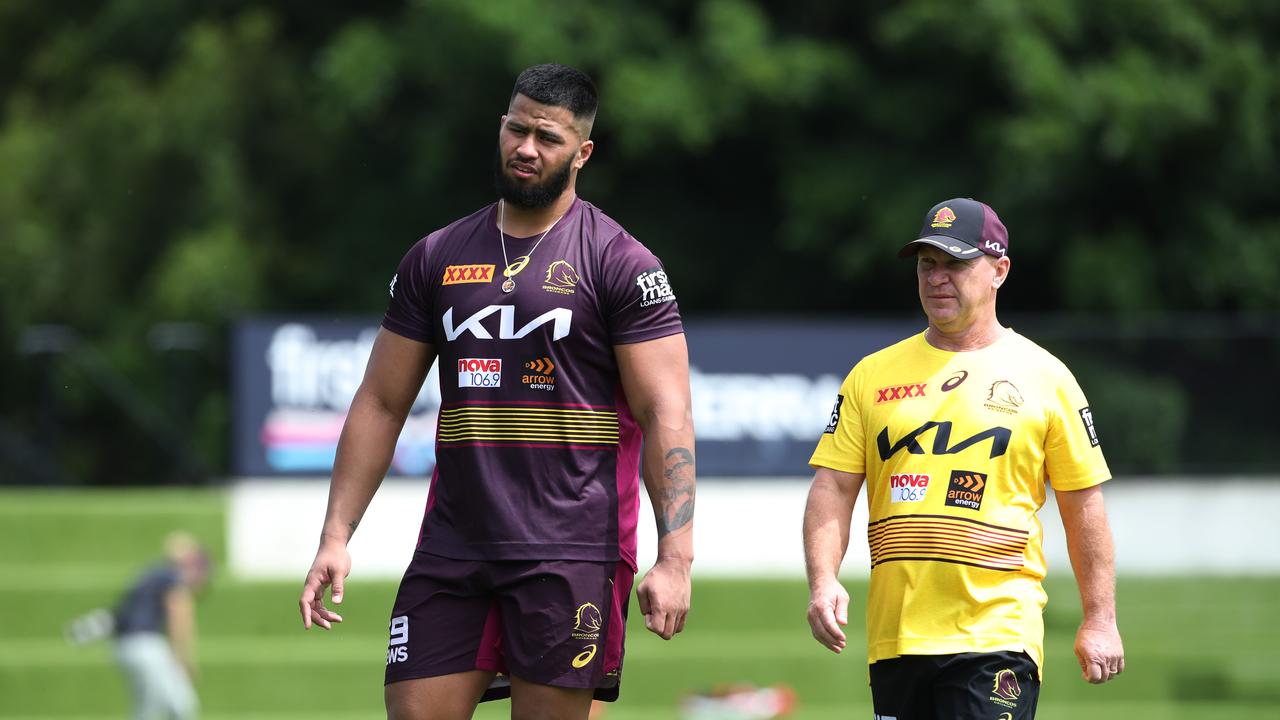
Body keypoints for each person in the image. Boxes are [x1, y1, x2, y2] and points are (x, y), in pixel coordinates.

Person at [298, 63, 696, 720]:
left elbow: (666, 412)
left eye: (548, 138)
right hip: (455, 544)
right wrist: (335, 536)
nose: (526, 149)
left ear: (582, 153)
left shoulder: (622, 263)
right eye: (516, 129)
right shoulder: (437, 255)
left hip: (571, 549)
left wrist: (674, 556)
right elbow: (380, 402)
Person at [802, 198, 1124, 719]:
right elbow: (833, 487)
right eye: (928, 264)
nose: (937, 278)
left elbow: (1083, 503)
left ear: (999, 271)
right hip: (896, 639)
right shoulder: (870, 374)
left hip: (997, 634)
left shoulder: (1047, 377)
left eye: (956, 263)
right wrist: (823, 581)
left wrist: (1100, 618)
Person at [100, 532, 209, 720]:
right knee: (181, 705)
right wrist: (183, 658)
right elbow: (179, 620)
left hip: (123, 647)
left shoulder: (152, 573)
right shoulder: (174, 579)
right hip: (146, 646)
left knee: (146, 710)